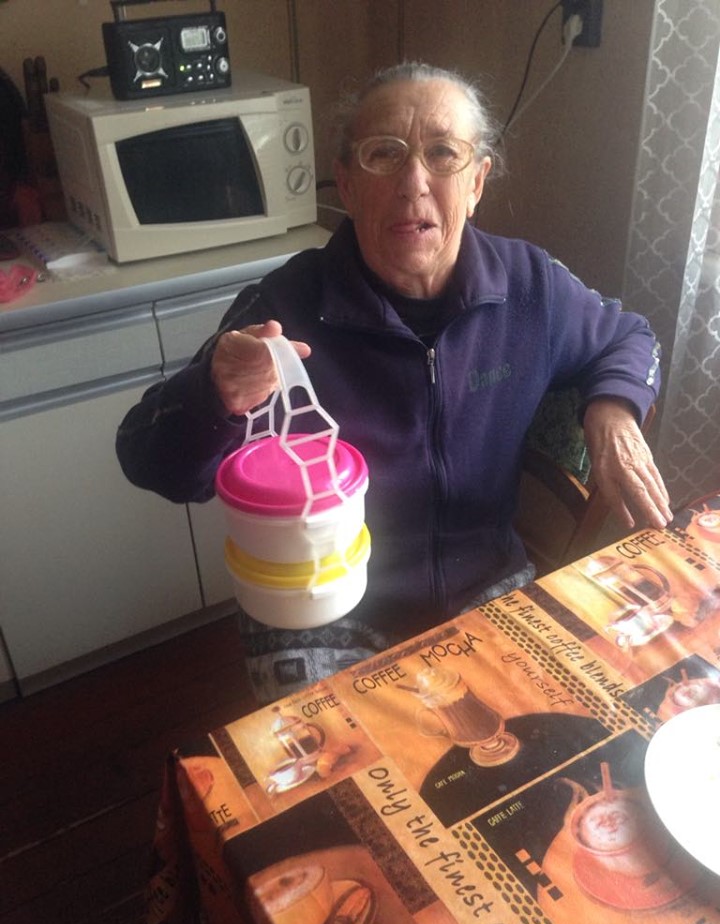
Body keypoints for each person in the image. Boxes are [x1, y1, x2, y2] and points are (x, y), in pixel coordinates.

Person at [116, 61, 672, 704]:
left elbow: (630, 336)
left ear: (476, 182)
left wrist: (614, 411)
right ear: (349, 185)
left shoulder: (530, 286)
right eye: (385, 154)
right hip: (325, 610)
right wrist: (218, 395)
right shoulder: (285, 305)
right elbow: (148, 458)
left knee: (568, 735)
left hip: (488, 587)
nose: (414, 183)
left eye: (443, 154)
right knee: (338, 769)